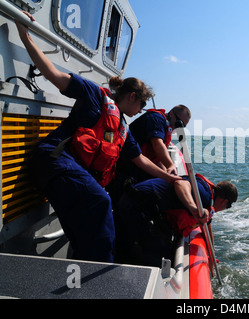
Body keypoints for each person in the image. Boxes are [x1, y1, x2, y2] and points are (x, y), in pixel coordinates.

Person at [15, 11, 181, 263]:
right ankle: (99, 276)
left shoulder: (122, 129)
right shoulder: (94, 95)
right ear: (133, 97)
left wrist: (168, 177)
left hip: (67, 173)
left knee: (86, 224)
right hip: (53, 160)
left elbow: (141, 161)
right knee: (100, 202)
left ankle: (84, 274)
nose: (140, 112)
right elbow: (53, 75)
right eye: (142, 105)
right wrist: (24, 35)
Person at [114, 175, 238, 266]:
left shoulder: (208, 199)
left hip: (145, 206)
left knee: (165, 244)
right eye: (228, 206)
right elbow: (181, 183)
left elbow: (206, 226)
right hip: (135, 203)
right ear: (225, 201)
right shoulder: (203, 194)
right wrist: (193, 207)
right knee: (160, 252)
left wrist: (212, 255)